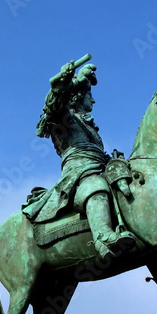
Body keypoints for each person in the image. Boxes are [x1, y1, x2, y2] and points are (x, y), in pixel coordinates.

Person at [22, 55, 135, 257]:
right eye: (88, 93)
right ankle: (102, 236)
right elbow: (53, 106)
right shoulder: (64, 119)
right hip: (79, 172)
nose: (93, 99)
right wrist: (69, 83)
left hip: (99, 167)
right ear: (77, 96)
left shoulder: (90, 128)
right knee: (95, 185)